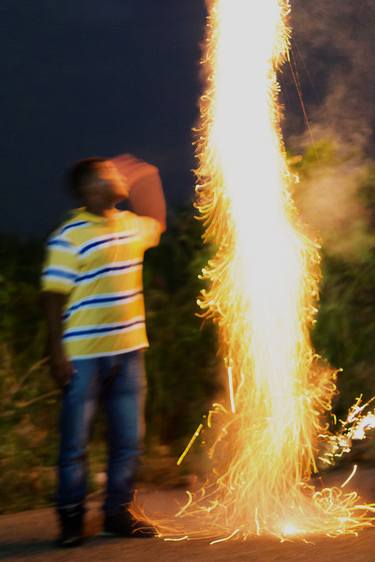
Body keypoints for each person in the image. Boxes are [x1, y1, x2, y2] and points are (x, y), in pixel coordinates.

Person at [41, 157, 165, 547]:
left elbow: (158, 224)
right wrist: (56, 354)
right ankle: (72, 519)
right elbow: (52, 298)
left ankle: (117, 512)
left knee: (128, 440)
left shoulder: (130, 226)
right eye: (108, 174)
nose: (117, 177)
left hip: (129, 353)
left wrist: (149, 179)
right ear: (89, 189)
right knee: (75, 443)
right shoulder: (68, 235)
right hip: (83, 357)